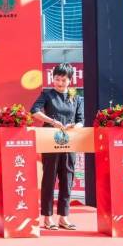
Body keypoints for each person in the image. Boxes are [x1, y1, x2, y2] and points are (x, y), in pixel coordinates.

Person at [30, 63, 84, 230]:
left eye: (64, 80)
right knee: (49, 178)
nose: (60, 83)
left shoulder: (76, 97)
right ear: (52, 78)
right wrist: (52, 121)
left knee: (67, 179)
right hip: (51, 142)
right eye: (57, 79)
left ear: (70, 80)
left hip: (69, 143)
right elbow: (34, 111)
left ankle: (64, 217)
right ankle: (47, 217)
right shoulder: (47, 95)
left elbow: (81, 120)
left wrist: (75, 126)